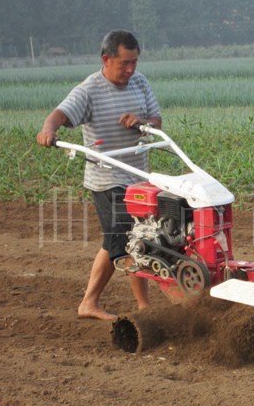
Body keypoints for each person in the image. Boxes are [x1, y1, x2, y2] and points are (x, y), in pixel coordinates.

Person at [37, 30, 162, 321]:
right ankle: (145, 308)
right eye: (124, 64)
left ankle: (89, 303)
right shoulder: (89, 90)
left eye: (134, 63)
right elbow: (59, 115)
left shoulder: (140, 82)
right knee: (132, 238)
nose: (131, 70)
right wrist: (48, 130)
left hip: (138, 175)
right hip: (107, 177)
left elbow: (157, 120)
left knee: (116, 241)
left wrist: (142, 122)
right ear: (106, 59)